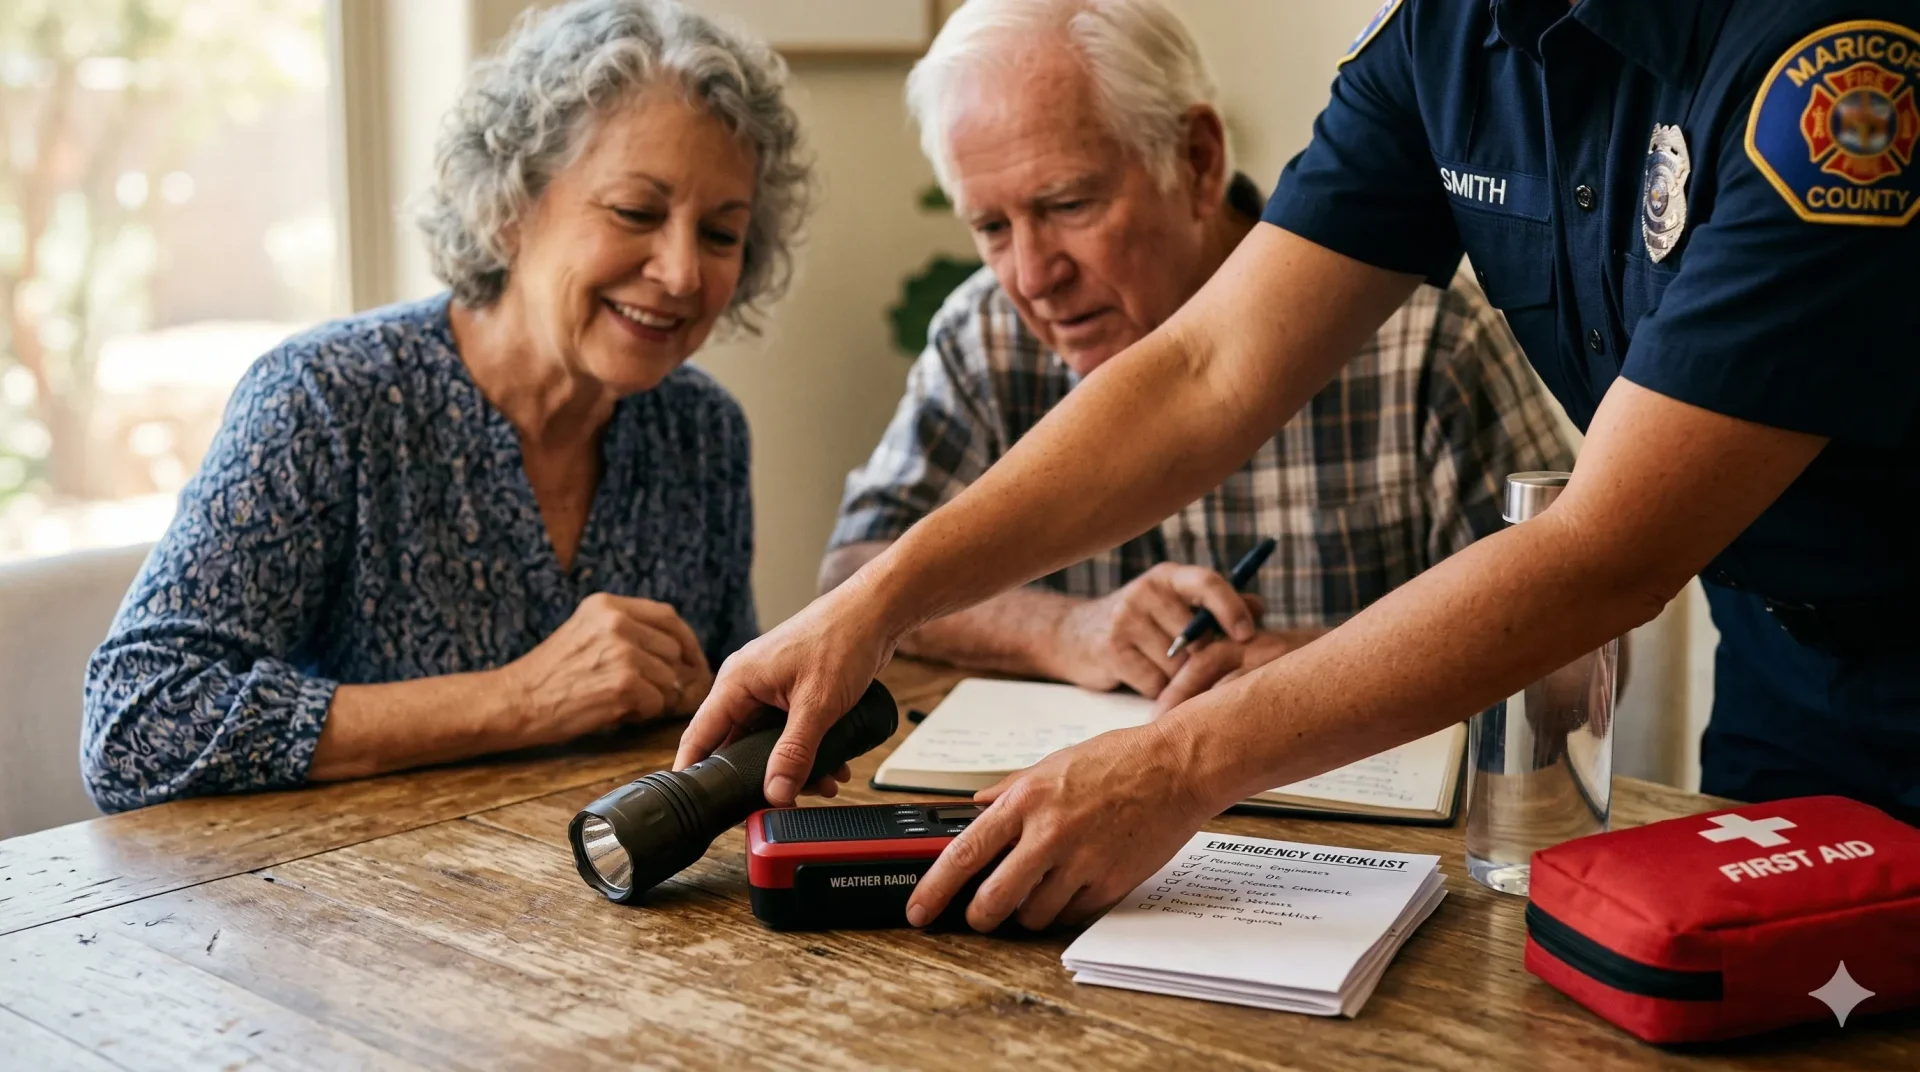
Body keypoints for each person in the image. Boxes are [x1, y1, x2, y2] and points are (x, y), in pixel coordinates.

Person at [679, 0, 1920, 935]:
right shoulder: (1449, 37)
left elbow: (1604, 551)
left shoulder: (1840, 62)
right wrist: (878, 600)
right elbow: (1207, 366)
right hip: (1782, 668)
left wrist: (1178, 763)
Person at [81, 0, 811, 812]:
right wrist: (521, 700)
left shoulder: (702, 432)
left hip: (613, 903)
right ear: (508, 207)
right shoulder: (326, 399)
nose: (682, 273)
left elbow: (712, 725)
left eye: (720, 234)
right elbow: (134, 724)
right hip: (345, 905)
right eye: (636, 212)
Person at [820, 0, 1571, 712]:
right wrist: (1063, 629)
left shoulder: (1427, 341)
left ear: (1199, 161)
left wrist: (1323, 676)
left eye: (1068, 206)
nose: (1030, 276)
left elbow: (1572, 648)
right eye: (990, 226)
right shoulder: (985, 334)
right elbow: (855, 575)